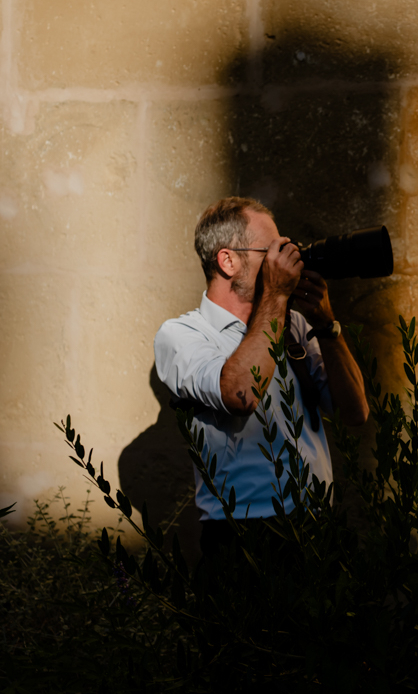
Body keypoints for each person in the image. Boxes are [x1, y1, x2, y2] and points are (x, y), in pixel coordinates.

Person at [154, 197, 369, 556]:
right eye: (270, 251)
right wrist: (277, 295)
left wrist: (326, 326)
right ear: (227, 260)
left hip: (319, 526)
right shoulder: (183, 334)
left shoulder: (294, 325)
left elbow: (355, 413)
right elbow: (240, 394)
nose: (283, 261)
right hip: (242, 537)